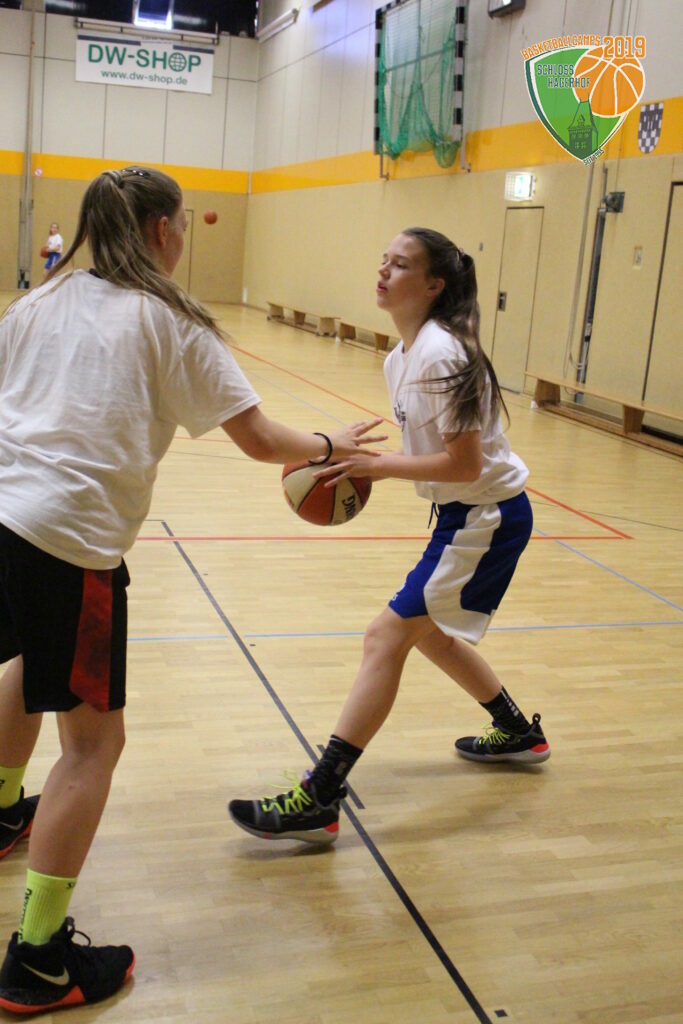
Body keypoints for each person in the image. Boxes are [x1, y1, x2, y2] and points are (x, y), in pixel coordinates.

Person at [0, 165, 385, 1014]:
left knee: (26, 662)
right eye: (183, 225)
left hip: (6, 517)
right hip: (69, 538)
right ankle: (37, 961)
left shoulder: (37, 300)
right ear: (164, 230)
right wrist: (329, 443)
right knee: (92, 747)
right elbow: (259, 439)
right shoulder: (169, 317)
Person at [229, 227, 550, 847]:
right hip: (465, 516)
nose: (383, 271)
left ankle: (320, 797)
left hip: (486, 517)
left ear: (433, 285)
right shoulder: (401, 357)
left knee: (386, 636)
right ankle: (516, 730)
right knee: (428, 637)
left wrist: (377, 467)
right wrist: (347, 451)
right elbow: (442, 455)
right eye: (384, 261)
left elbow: (465, 465)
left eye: (400, 265)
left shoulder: (442, 355)